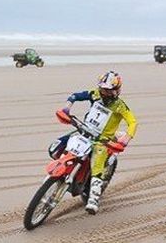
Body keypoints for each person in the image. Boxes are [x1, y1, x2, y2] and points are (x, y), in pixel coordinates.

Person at [55, 71, 137, 214]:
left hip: (101, 140)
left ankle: (93, 198)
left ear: (116, 91)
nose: (104, 92)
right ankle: (59, 170)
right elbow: (76, 96)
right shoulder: (95, 94)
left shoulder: (120, 106)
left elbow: (133, 122)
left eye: (107, 90)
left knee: (97, 165)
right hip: (84, 131)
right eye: (102, 89)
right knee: (57, 146)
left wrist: (126, 139)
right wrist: (67, 107)